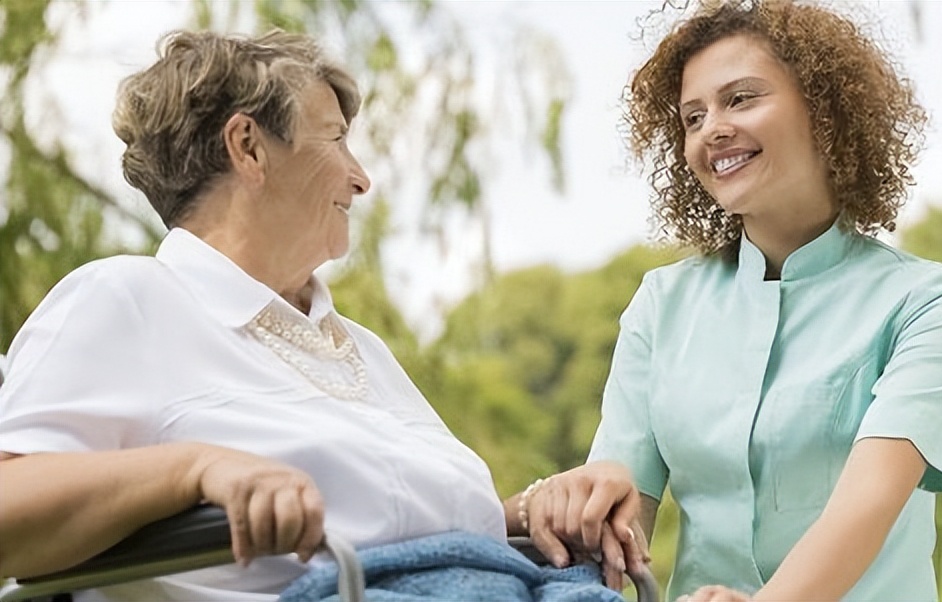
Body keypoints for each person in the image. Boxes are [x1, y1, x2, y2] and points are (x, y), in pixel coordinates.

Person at [0, 29, 572, 602]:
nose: (361, 177)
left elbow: (413, 531)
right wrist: (193, 469)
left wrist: (534, 510)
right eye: (337, 140)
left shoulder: (360, 348)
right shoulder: (128, 297)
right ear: (248, 146)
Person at [515, 1, 942, 601]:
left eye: (741, 98)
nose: (711, 128)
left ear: (824, 109)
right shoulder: (662, 304)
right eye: (691, 117)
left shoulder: (926, 300)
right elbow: (623, 511)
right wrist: (577, 517)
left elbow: (868, 505)